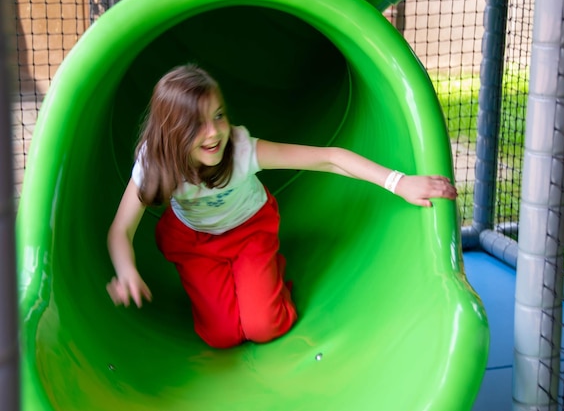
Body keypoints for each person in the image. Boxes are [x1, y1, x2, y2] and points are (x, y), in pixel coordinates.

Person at [106, 63, 458, 349]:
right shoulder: (154, 162)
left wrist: (399, 183)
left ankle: (266, 269)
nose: (213, 133)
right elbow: (121, 229)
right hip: (195, 242)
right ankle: (227, 282)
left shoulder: (241, 150)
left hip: (248, 231)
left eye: (218, 116)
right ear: (172, 130)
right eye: (197, 124)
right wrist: (126, 271)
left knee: (265, 327)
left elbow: (329, 159)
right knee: (221, 336)